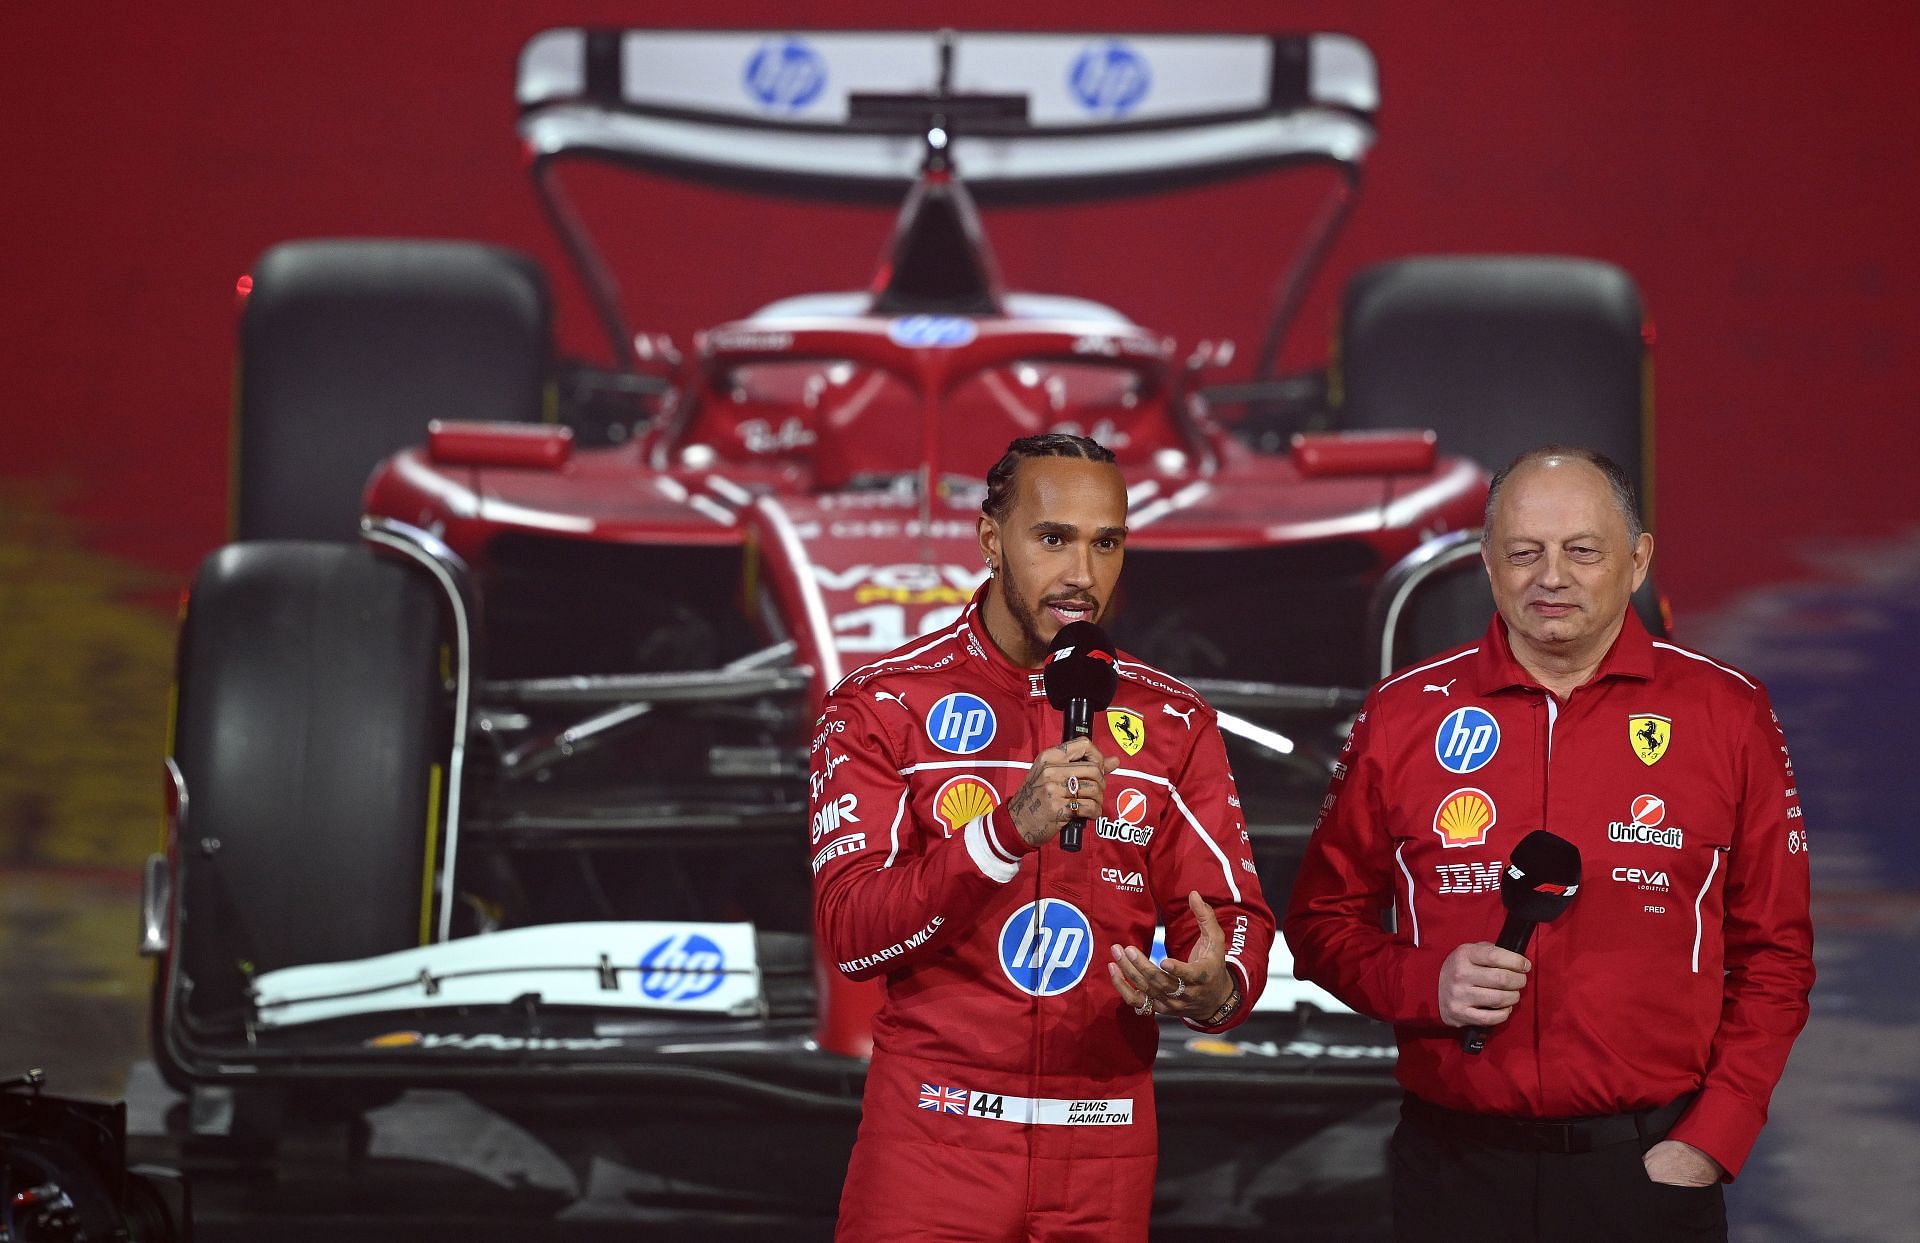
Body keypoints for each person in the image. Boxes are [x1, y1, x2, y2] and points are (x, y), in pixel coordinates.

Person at [1284, 445, 1813, 1242]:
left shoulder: (1727, 712)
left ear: (1637, 562)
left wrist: (1711, 1141)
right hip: (1454, 1173)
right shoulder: (1402, 714)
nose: (1551, 576)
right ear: (1489, 565)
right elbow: (1322, 924)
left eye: (1583, 550)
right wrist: (1424, 982)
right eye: (1524, 552)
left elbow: (1775, 954)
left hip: (1646, 1175)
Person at [812, 433, 1273, 1242]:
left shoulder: (1174, 721)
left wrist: (1218, 985)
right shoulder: (882, 704)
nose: (1082, 575)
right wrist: (1005, 831)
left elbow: (1234, 917)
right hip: (931, 1141)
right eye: (1053, 538)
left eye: (1107, 543)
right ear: (992, 539)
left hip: (1106, 1147)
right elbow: (853, 936)